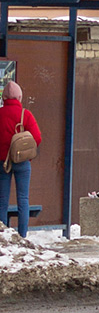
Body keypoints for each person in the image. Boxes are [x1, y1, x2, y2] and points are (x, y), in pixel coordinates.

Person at [0, 81, 42, 238]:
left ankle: (2, 236)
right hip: (22, 162)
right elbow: (37, 137)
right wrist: (25, 152)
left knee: (2, 201)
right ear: (19, 97)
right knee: (23, 199)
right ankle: (22, 235)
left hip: (2, 162)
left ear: (4, 97)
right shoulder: (26, 114)